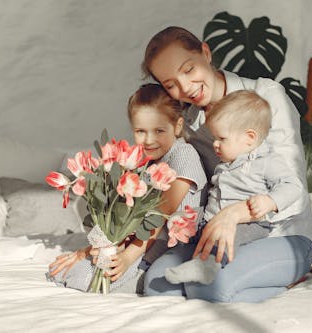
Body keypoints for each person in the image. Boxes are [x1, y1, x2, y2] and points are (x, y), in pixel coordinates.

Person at [142, 26, 312, 303]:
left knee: (209, 287)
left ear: (205, 52)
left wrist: (235, 214)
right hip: (218, 232)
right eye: (170, 84)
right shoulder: (188, 124)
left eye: (189, 69)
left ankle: (287, 284)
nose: (185, 87)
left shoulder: (266, 95)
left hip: (281, 234)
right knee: (155, 284)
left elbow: (293, 190)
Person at [47, 83, 207, 293]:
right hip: (143, 244)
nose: (149, 140)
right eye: (140, 131)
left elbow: (160, 214)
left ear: (177, 126)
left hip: (174, 248)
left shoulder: (183, 154)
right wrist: (90, 251)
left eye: (159, 130)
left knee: (81, 278)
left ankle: (146, 279)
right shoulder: (146, 163)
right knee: (64, 272)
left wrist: (127, 257)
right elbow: (132, 221)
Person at [165, 90, 307, 286]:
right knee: (185, 216)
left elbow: (293, 186)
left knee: (226, 237)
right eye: (215, 138)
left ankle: (207, 266)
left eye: (221, 139)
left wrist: (270, 201)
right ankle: (185, 244)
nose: (215, 144)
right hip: (211, 218)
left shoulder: (266, 161)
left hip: (248, 224)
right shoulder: (225, 165)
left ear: (249, 137)